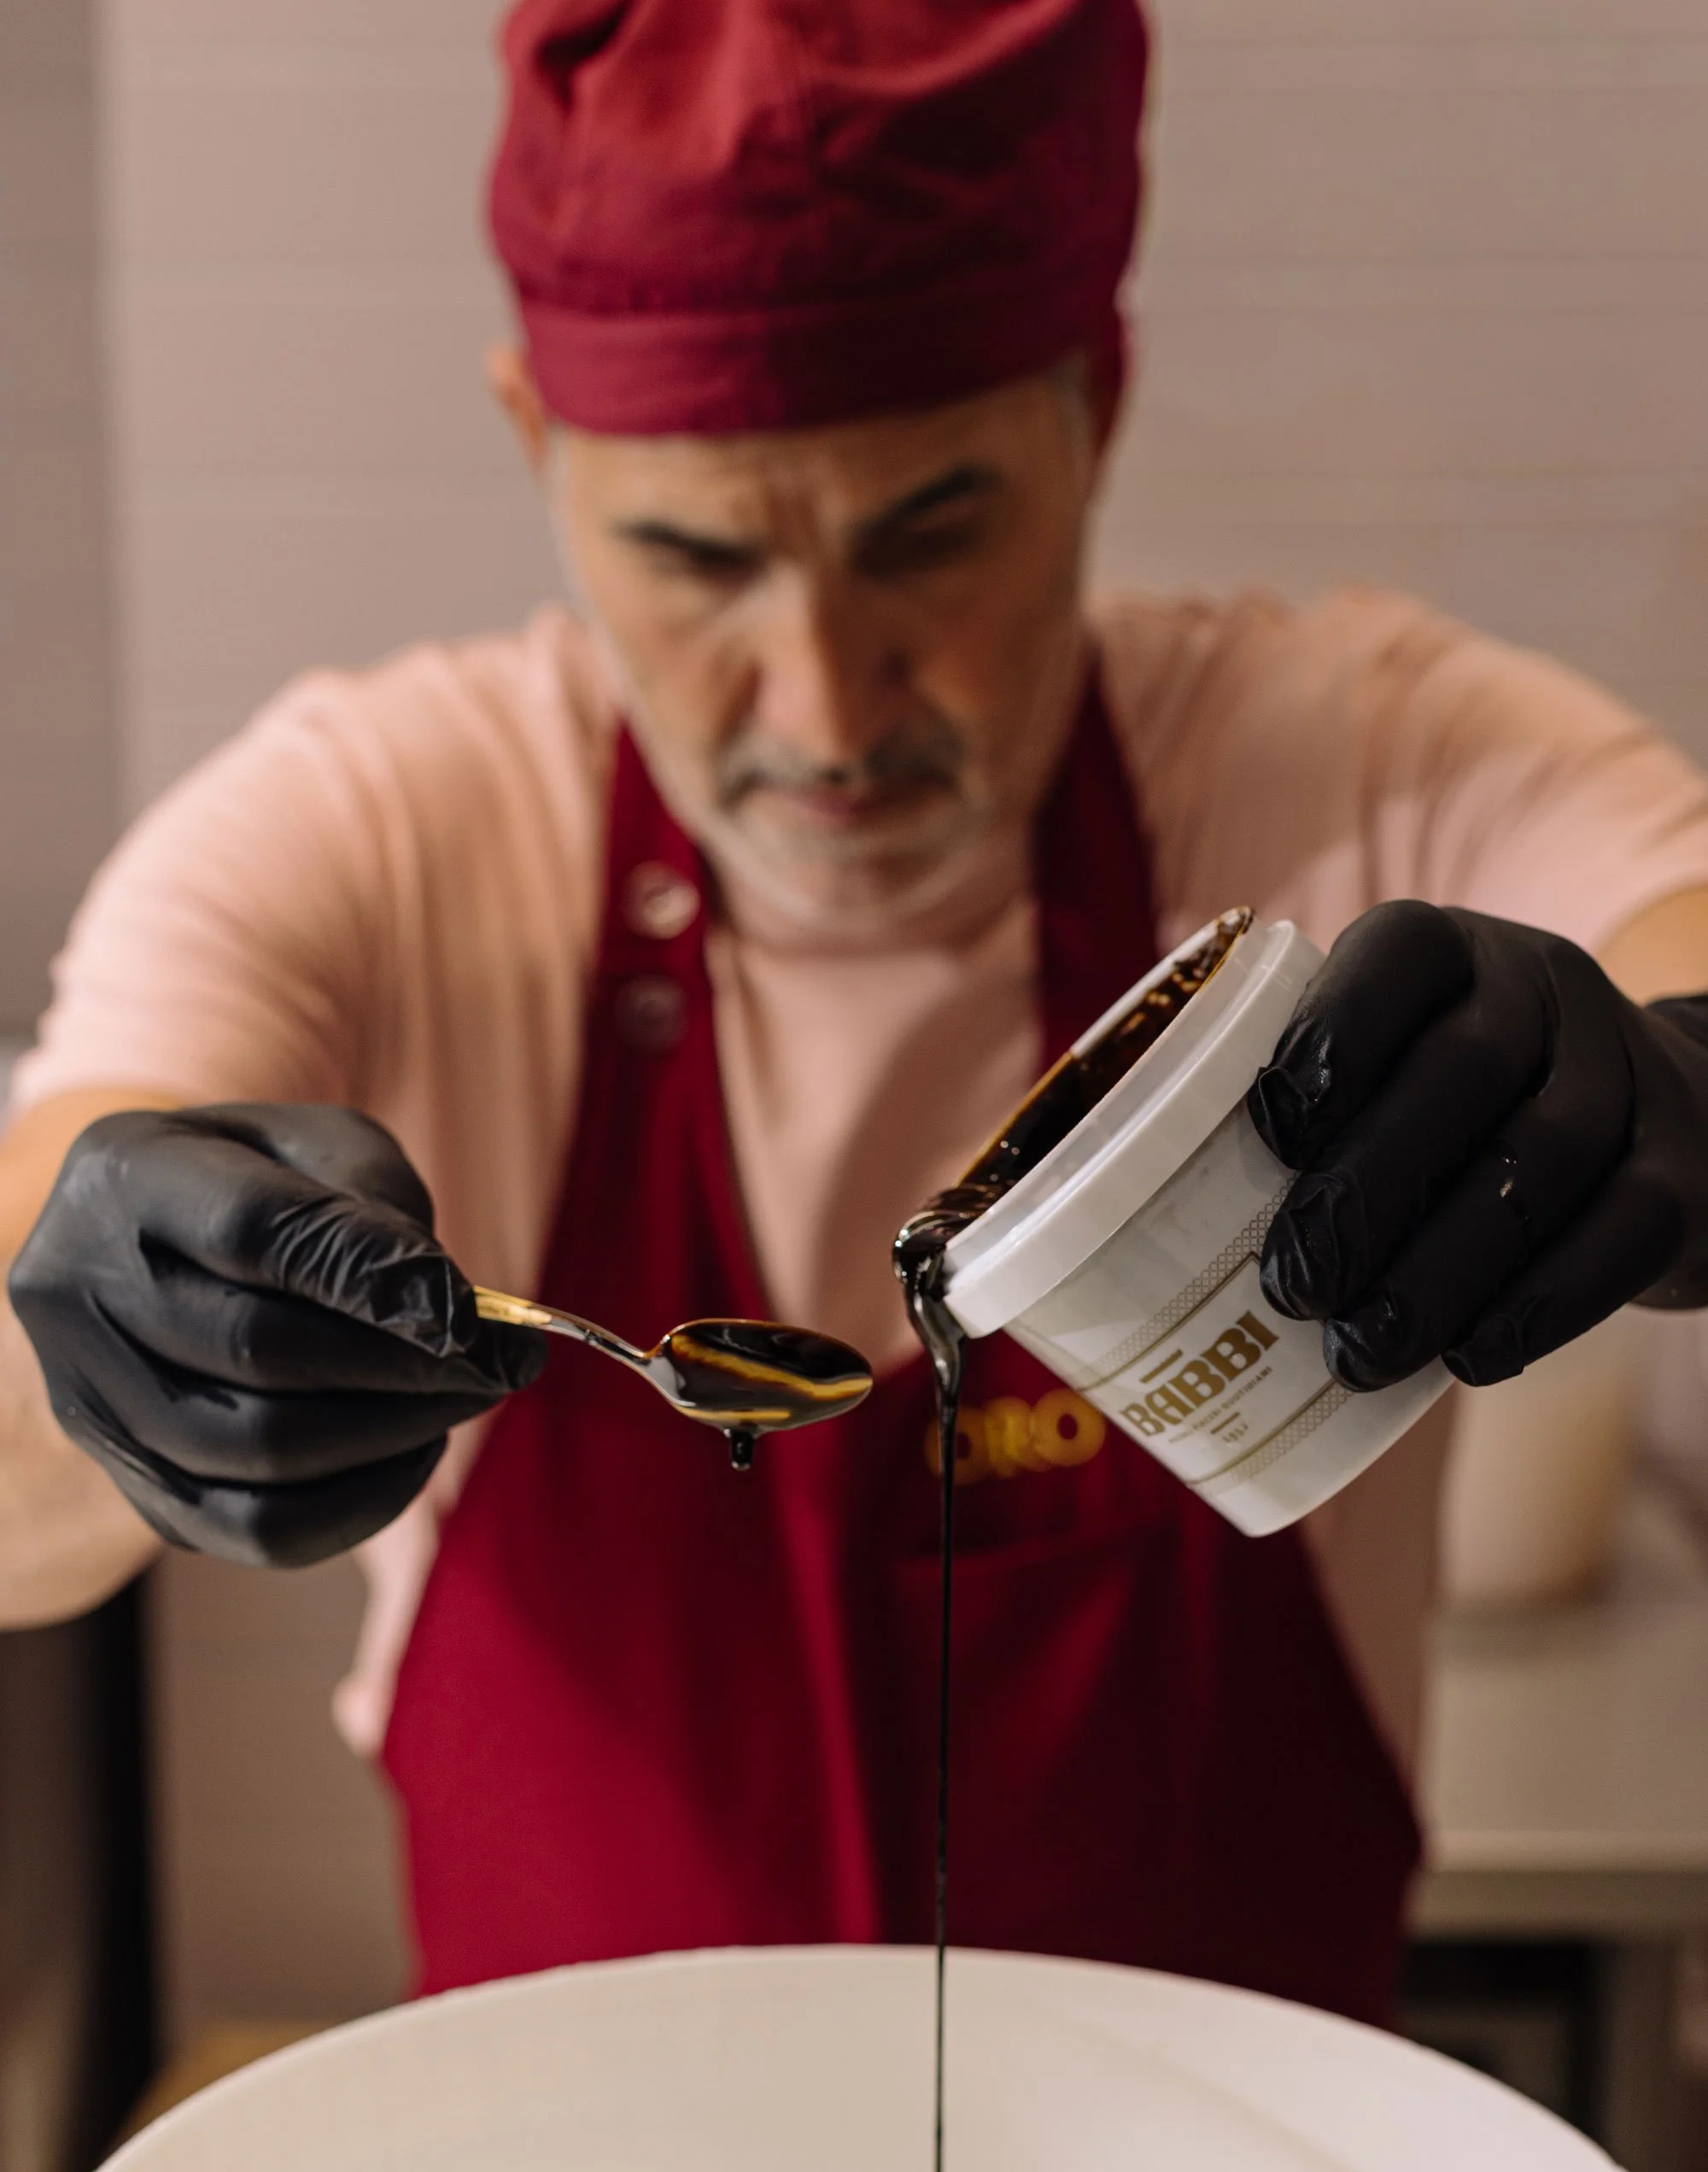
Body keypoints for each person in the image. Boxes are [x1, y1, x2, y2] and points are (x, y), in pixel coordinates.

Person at [6, 0, 1708, 2023]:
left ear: (1099, 400)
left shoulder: (1363, 761)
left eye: (935, 528)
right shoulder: (384, 823)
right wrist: (102, 1327)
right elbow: (65, 1222)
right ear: (541, 448)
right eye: (694, 554)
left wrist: (1679, 1089)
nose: (823, 703)